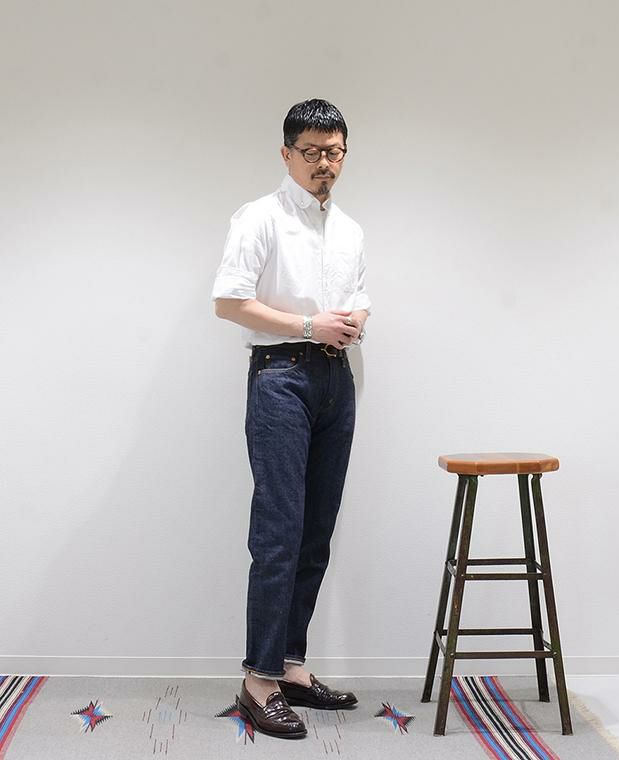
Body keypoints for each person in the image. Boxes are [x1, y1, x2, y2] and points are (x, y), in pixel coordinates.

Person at [212, 98, 371, 740]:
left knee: (316, 530)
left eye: (334, 152)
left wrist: (355, 320)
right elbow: (229, 301)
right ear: (286, 153)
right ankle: (258, 682)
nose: (323, 163)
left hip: (336, 379)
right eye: (311, 152)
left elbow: (358, 296)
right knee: (279, 530)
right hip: (280, 377)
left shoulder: (350, 229)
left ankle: (291, 667)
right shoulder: (260, 217)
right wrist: (309, 325)